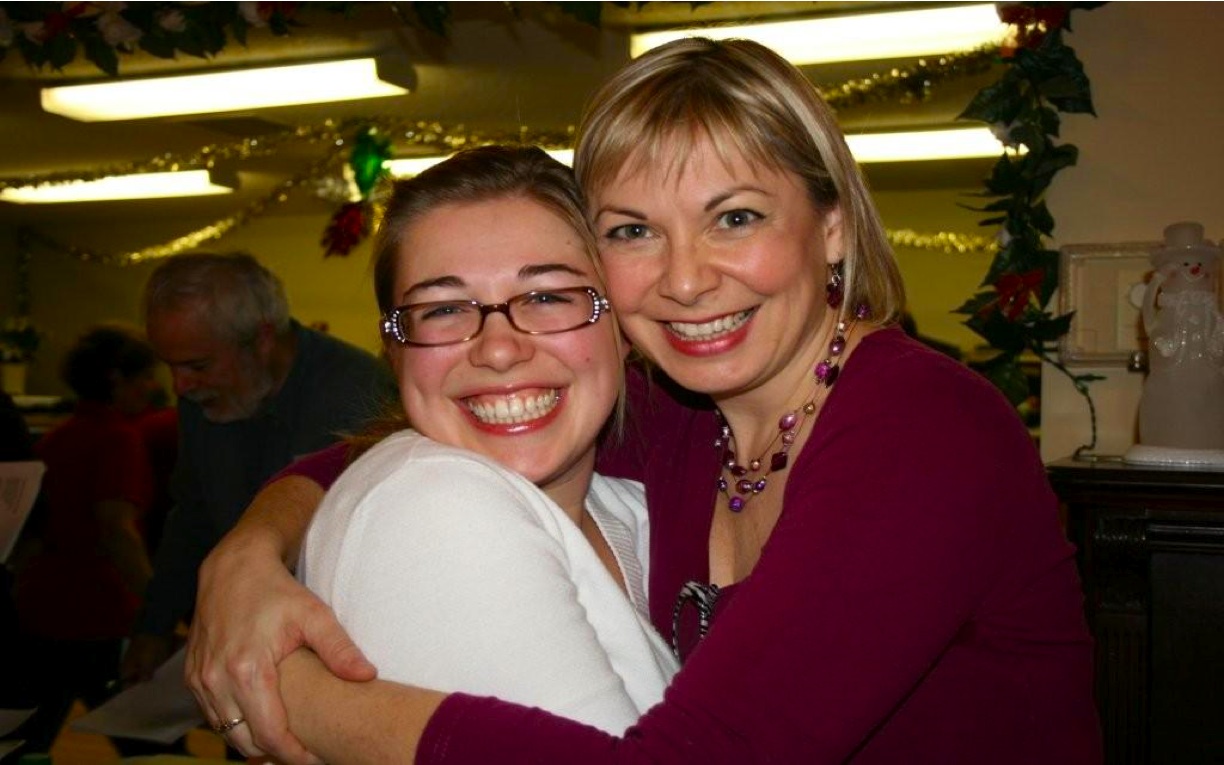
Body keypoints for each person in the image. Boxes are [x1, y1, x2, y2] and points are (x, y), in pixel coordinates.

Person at [187, 38, 1102, 764]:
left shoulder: (924, 429)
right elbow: (395, 440)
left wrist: (308, 702)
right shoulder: (684, 421)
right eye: (633, 232)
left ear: (830, 227)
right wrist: (245, 554)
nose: (686, 280)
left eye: (734, 217)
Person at [294, 145, 674, 737]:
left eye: (548, 297)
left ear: (623, 328)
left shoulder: (632, 511)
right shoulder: (436, 506)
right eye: (443, 309)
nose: (498, 349)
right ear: (396, 351)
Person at [122, 251, 395, 687]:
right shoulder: (204, 397)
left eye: (197, 365)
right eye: (170, 366)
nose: (180, 386)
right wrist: (153, 625)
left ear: (263, 339)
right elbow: (192, 515)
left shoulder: (358, 394)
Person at [9, 324, 162, 755]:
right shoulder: (117, 439)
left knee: (27, 740)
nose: (153, 388)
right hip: (95, 612)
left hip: (40, 609)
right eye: (146, 376)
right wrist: (157, 610)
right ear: (117, 379)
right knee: (144, 739)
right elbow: (118, 531)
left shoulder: (56, 438)